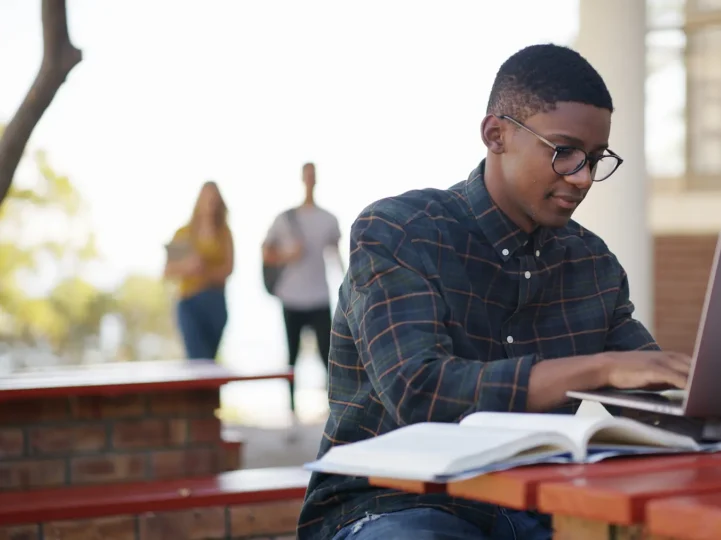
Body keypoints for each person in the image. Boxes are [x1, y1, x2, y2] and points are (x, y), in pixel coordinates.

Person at [297, 44, 692, 540]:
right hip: (394, 506)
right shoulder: (399, 232)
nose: (584, 178)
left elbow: (652, 397)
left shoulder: (592, 263)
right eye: (564, 152)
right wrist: (600, 368)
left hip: (538, 505)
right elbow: (421, 392)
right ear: (496, 134)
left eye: (595, 159)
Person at [262, 162, 344, 419]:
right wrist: (289, 254)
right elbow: (266, 252)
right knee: (292, 356)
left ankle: (335, 407)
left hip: (319, 295)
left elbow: (336, 254)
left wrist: (350, 284)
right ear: (302, 178)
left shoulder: (329, 219)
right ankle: (291, 411)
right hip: (292, 297)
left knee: (329, 355)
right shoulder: (284, 219)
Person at [163, 181, 234, 361]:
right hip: (189, 301)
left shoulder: (224, 233)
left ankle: (210, 390)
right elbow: (168, 270)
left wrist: (205, 271)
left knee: (209, 360)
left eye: (214, 199)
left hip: (216, 302)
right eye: (207, 197)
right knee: (197, 360)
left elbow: (229, 269)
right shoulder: (184, 233)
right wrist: (188, 267)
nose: (211, 202)